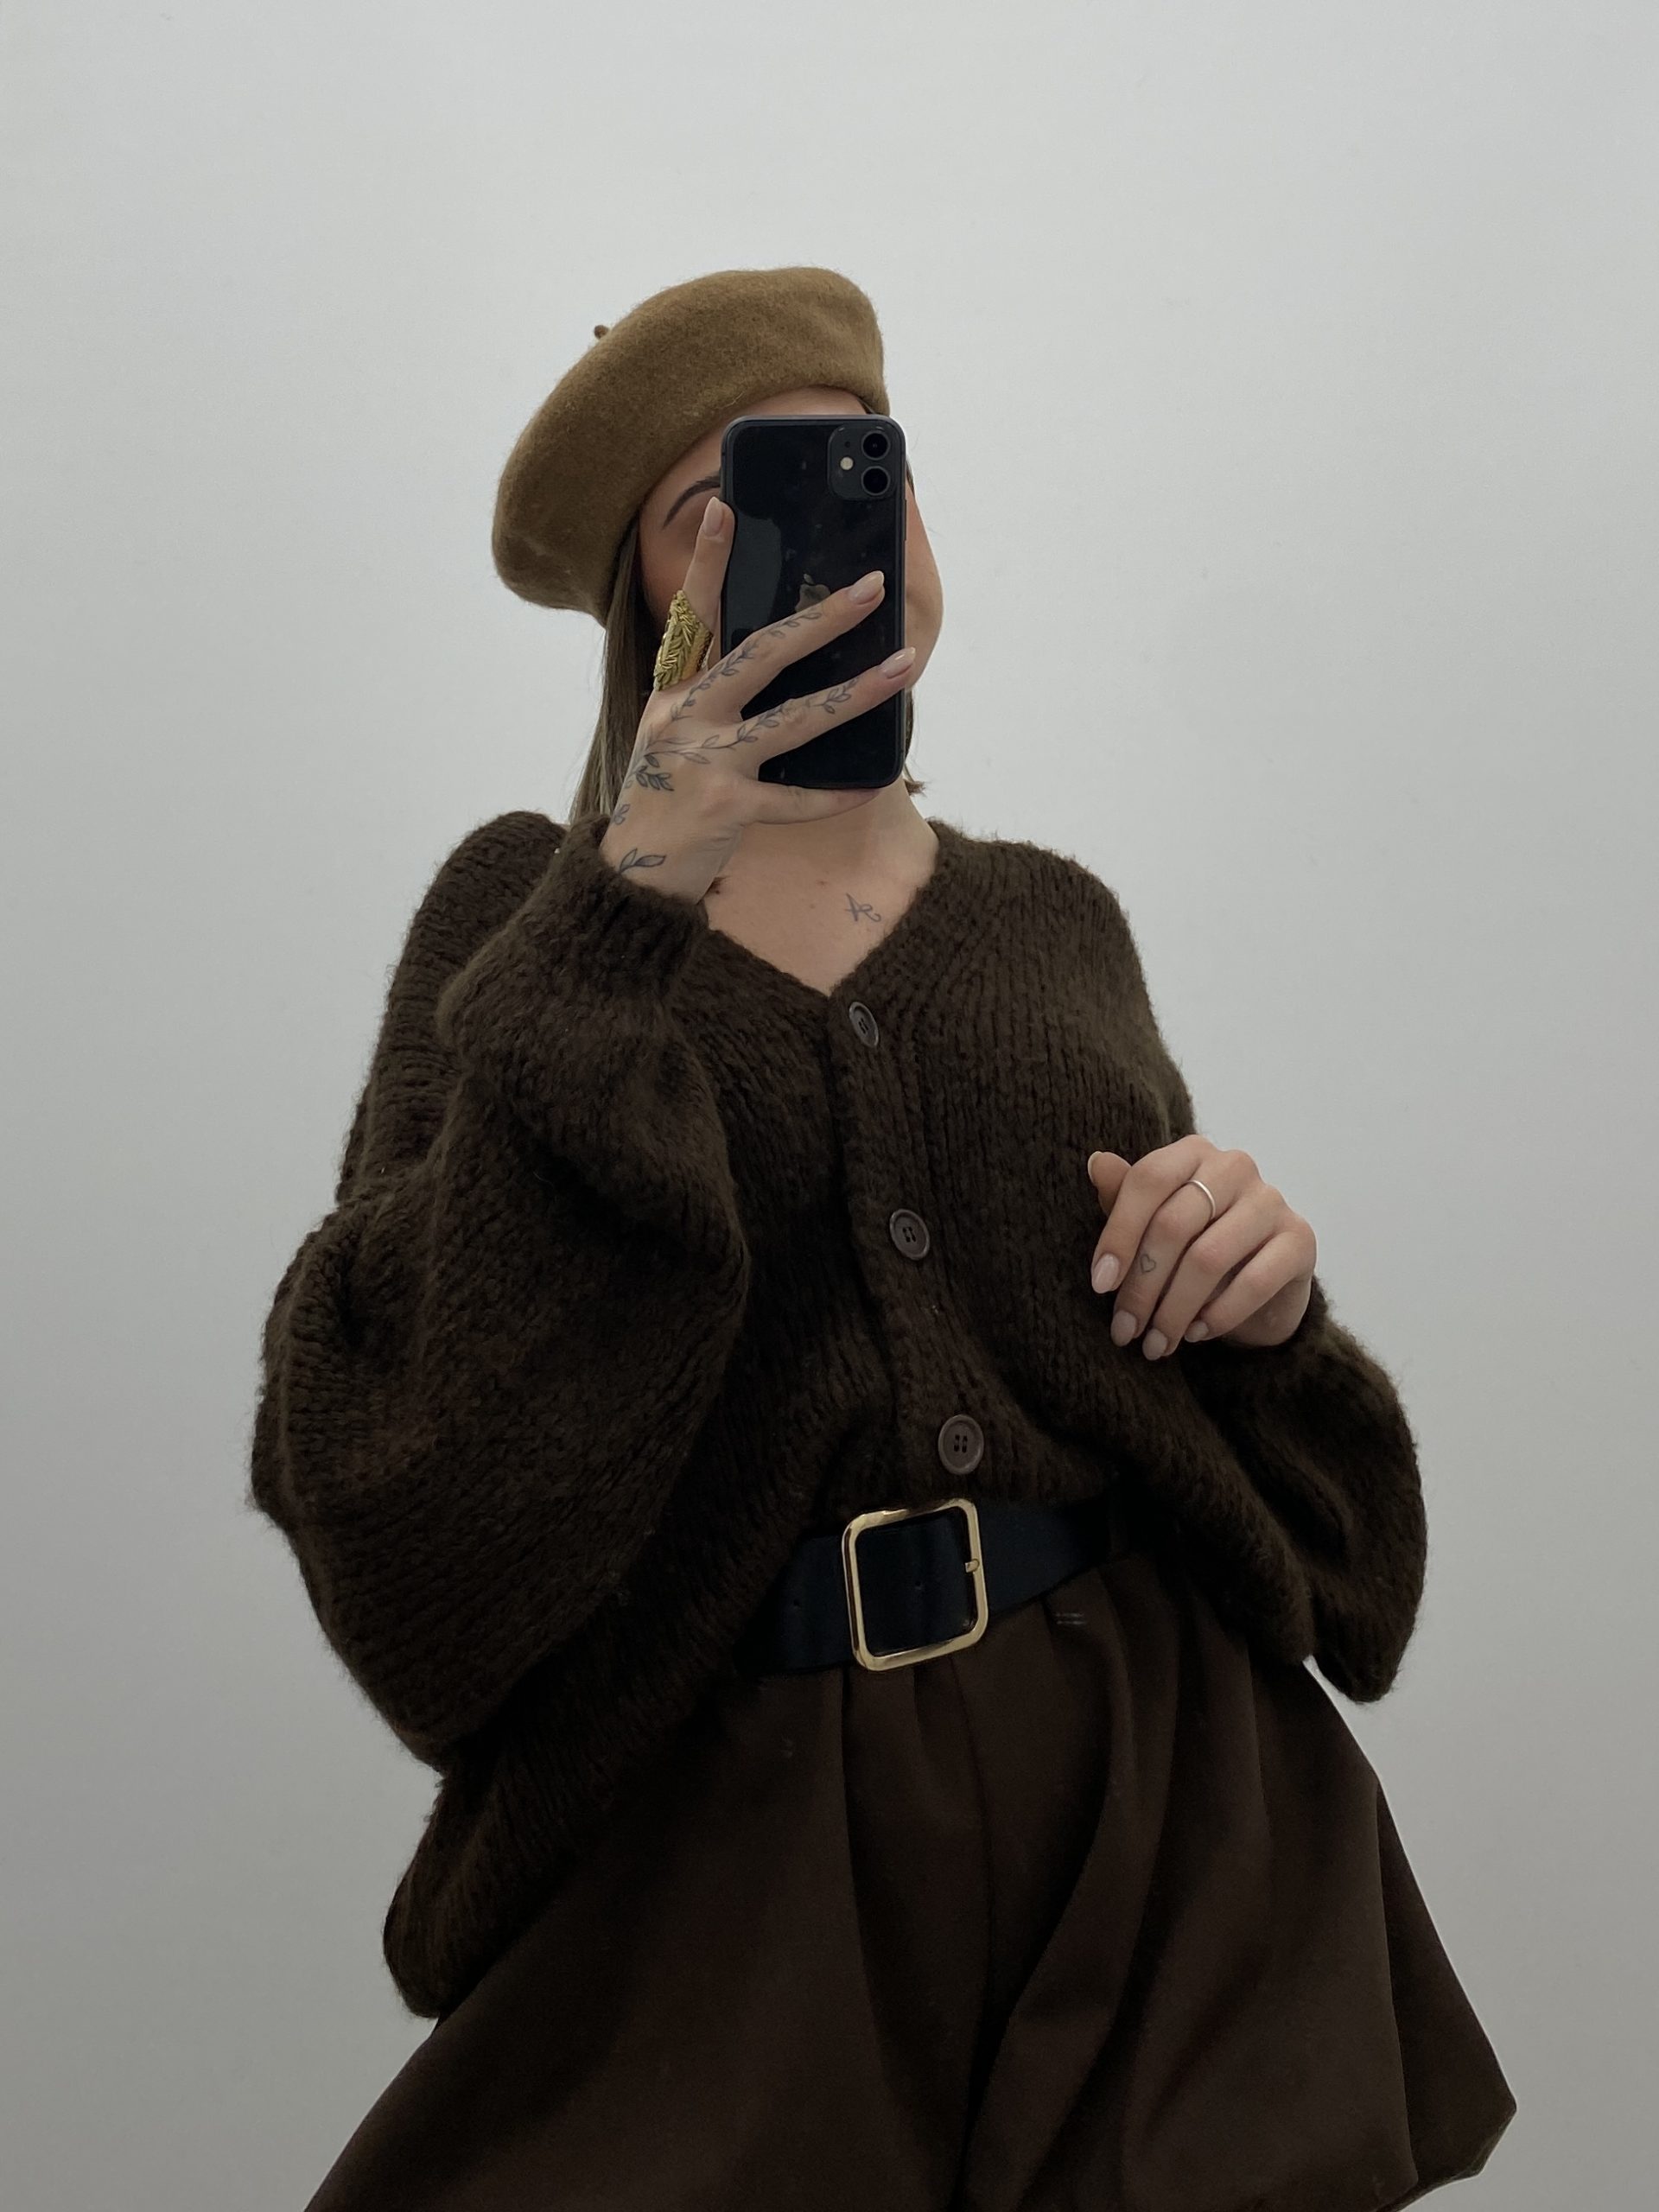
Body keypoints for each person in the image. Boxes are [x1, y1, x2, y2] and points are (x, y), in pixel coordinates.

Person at [249, 265, 1516, 2210]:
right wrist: (630, 891)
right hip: (741, 1874)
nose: (828, 528)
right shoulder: (522, 922)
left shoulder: (1055, 921)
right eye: (724, 503)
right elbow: (393, 1477)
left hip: (1162, 1818)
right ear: (649, 609)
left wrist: (1262, 1295)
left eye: (865, 465)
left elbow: (1293, 1499)